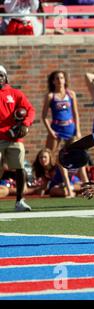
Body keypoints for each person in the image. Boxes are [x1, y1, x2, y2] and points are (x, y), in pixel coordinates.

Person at [0, 65, 35, 211]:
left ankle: (20, 201)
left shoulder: (14, 93)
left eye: (0, 75)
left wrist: (25, 124)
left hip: (14, 138)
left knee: (20, 168)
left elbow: (30, 110)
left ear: (5, 77)